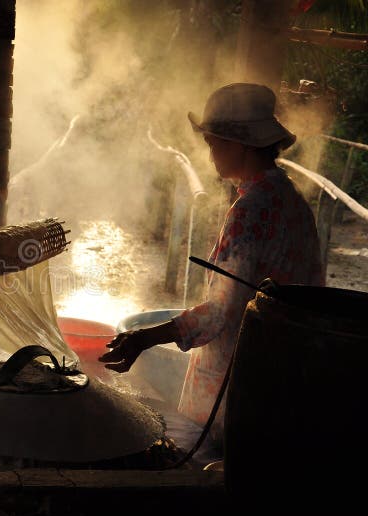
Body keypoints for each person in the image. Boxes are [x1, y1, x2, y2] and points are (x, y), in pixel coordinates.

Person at [100, 83, 324, 445]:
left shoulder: (250, 211)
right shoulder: (294, 203)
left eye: (214, 143)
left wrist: (145, 337)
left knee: (211, 471)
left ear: (243, 144)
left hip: (236, 382)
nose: (210, 154)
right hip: (281, 376)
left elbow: (222, 312)